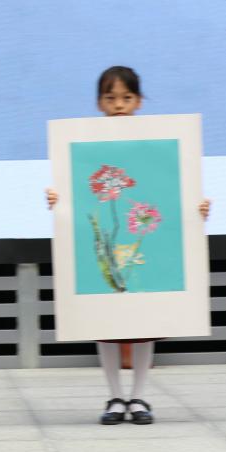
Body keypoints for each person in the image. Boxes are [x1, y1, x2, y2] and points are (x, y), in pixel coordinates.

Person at [46, 65, 210, 426]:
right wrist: (59, 198)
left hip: (139, 250)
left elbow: (169, 190)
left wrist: (195, 207)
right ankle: (115, 396)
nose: (118, 105)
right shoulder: (85, 145)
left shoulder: (155, 144)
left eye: (126, 97)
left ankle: (138, 396)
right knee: (106, 328)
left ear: (138, 101)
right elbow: (77, 195)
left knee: (143, 327)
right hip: (110, 248)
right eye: (110, 98)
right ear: (99, 102)